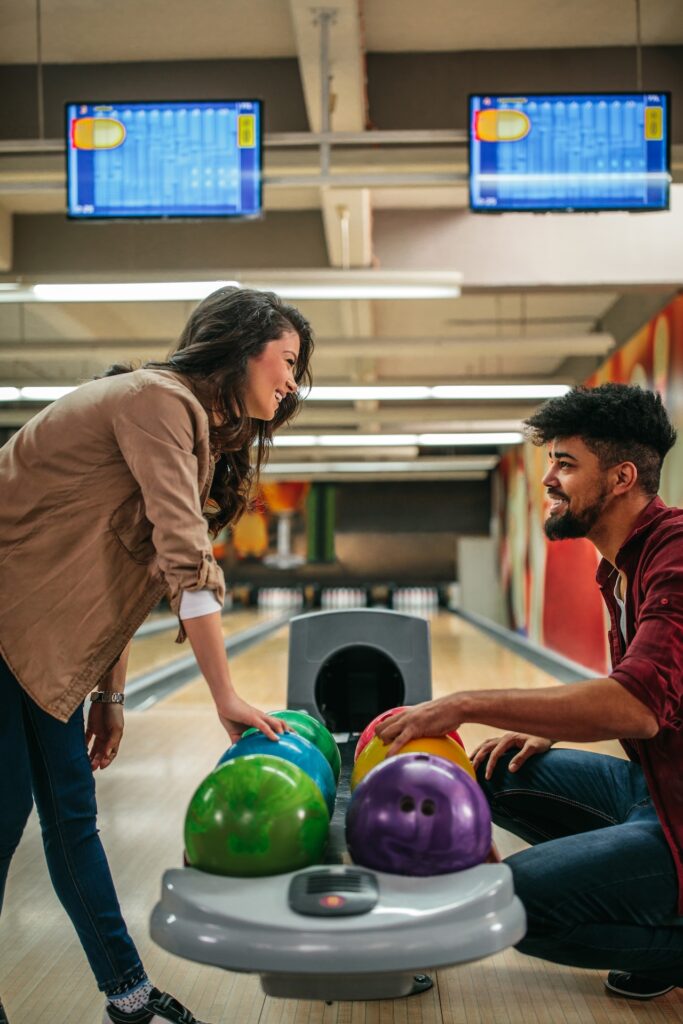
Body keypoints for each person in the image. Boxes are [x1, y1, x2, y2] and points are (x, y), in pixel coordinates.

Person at [0, 287, 314, 1024]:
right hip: (10, 630)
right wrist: (225, 696)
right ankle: (128, 995)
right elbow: (181, 557)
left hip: (31, 639)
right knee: (9, 813)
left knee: (71, 819)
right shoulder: (155, 400)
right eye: (288, 360)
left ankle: (128, 997)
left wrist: (107, 697)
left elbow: (121, 581)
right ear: (241, 345)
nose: (293, 381)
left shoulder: (185, 425)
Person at [377, 383, 683, 1001]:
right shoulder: (620, 566)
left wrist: (464, 702)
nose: (547, 478)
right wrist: (552, 724)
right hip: (656, 791)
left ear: (622, 477)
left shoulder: (676, 557)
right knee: (486, 773)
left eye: (565, 463)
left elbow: (639, 707)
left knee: (505, 904)